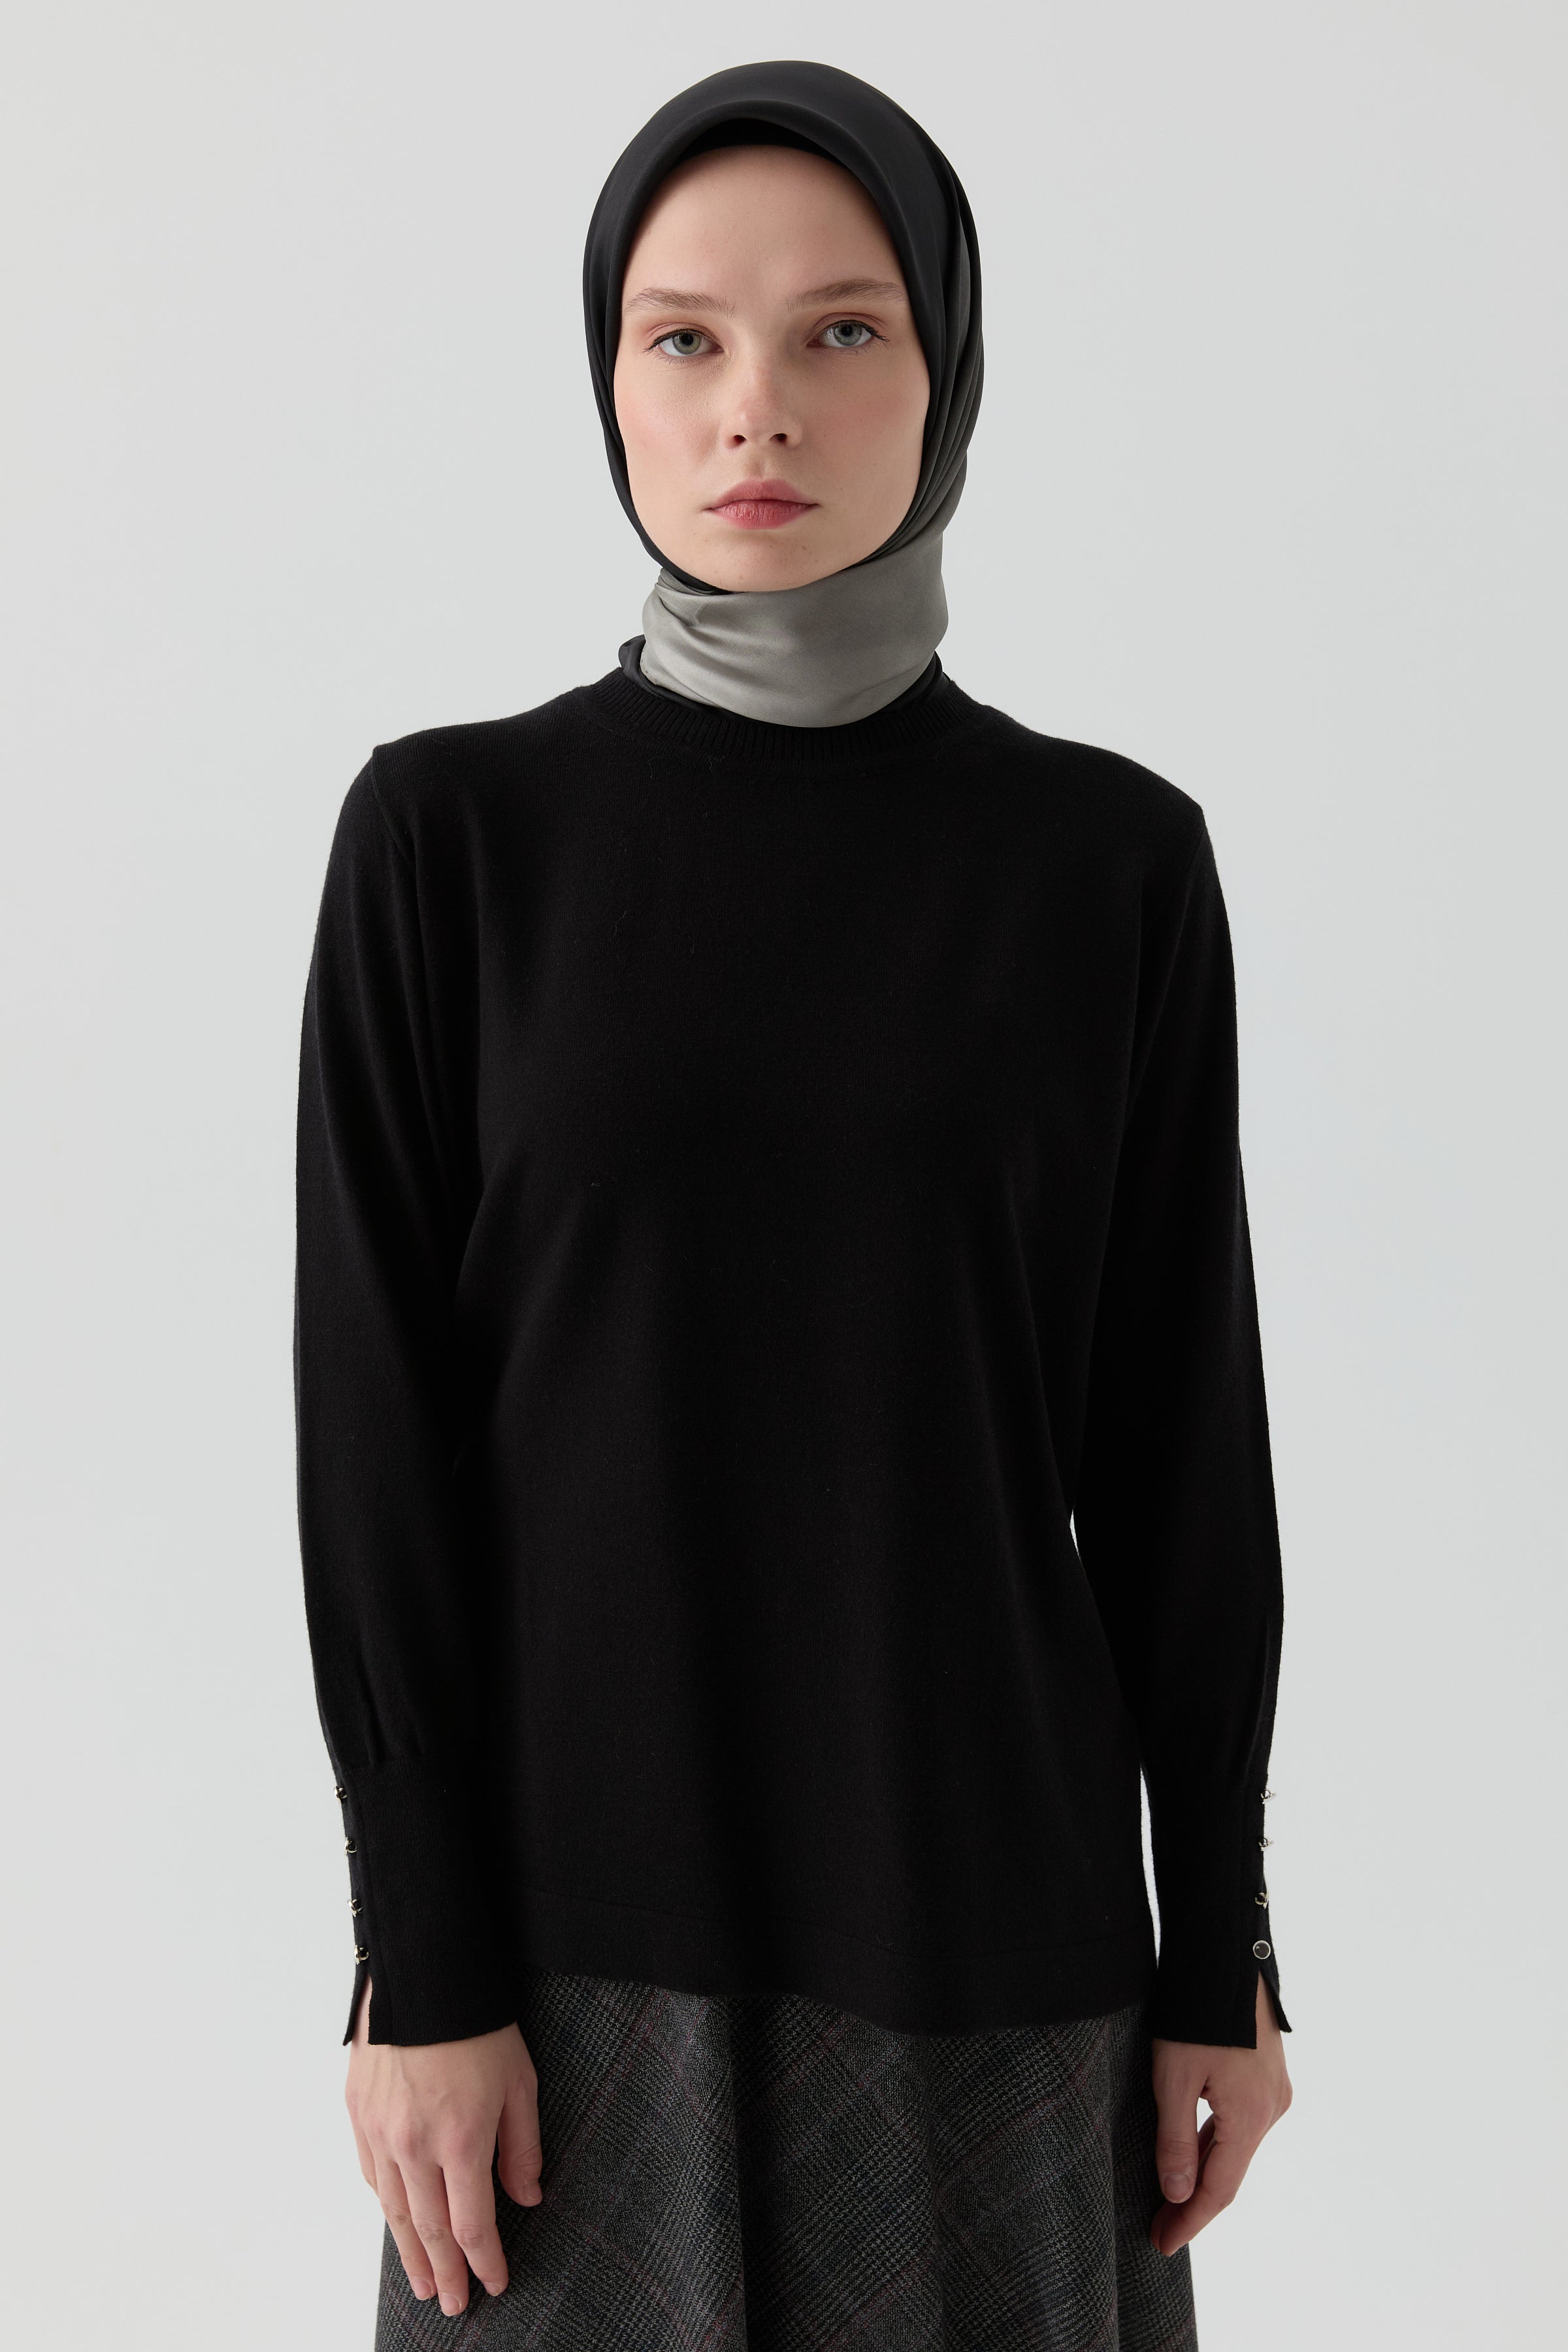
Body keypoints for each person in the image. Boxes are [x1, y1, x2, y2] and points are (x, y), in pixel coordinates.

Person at [295, 59, 1292, 2351]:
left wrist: (1222, 1949)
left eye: (845, 329)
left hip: (992, 1953)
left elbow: (1183, 1455)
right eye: (686, 336)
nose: (759, 404)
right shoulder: (450, 845)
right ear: (611, 382)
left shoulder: (1112, 867)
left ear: (947, 372)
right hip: (551, 1980)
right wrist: (412, 1962)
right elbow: (376, 1456)